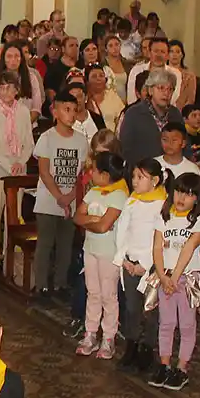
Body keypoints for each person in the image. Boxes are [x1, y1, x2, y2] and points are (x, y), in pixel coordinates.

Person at [149, 172, 200, 390]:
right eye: (179, 191)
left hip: (186, 279)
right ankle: (164, 364)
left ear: (197, 199)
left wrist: (173, 278)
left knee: (186, 324)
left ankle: (182, 367)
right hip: (165, 276)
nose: (182, 198)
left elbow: (189, 248)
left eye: (189, 194)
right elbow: (157, 246)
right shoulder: (164, 216)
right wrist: (162, 276)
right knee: (165, 323)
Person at [74, 152, 128, 359]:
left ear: (105, 175)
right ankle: (90, 332)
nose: (90, 172)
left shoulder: (119, 195)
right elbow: (78, 217)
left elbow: (105, 226)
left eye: (94, 170)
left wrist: (92, 221)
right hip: (91, 249)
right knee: (93, 293)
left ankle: (109, 336)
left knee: (108, 295)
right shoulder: (93, 192)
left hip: (109, 253)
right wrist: (94, 221)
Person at [33, 93, 88, 297]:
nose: (71, 114)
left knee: (66, 243)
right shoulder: (47, 138)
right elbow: (44, 172)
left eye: (75, 110)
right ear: (55, 112)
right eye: (66, 109)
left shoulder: (81, 141)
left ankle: (60, 283)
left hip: (71, 199)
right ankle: (41, 284)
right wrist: (59, 197)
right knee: (46, 243)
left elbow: (81, 174)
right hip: (49, 199)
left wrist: (71, 196)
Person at [114, 160, 166, 372]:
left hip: (150, 267)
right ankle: (131, 346)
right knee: (132, 308)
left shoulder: (162, 204)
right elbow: (122, 230)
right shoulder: (132, 201)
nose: (134, 181)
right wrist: (123, 258)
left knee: (150, 310)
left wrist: (146, 265)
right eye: (133, 176)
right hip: (130, 263)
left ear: (154, 181)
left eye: (140, 177)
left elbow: (159, 239)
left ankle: (147, 348)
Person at [0, 73, 35, 265]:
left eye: (10, 87)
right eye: (2, 88)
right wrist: (9, 165)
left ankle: (11, 258)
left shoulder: (23, 112)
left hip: (17, 172)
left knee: (14, 216)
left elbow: (29, 142)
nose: (6, 91)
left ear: (17, 90)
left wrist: (20, 161)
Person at [117, 70, 184, 169]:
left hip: (173, 169)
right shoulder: (134, 113)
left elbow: (185, 143)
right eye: (161, 88)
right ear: (151, 90)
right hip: (143, 171)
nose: (166, 93)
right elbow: (126, 149)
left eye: (170, 89)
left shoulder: (175, 114)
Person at [123, 38, 182, 107]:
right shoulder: (136, 70)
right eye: (156, 51)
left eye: (162, 52)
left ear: (167, 55)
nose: (158, 55)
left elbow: (173, 98)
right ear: (149, 53)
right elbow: (131, 97)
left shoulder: (175, 73)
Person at [166, 40, 196, 110]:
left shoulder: (189, 76)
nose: (174, 55)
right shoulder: (162, 71)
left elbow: (190, 99)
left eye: (177, 51)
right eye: (171, 51)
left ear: (182, 55)